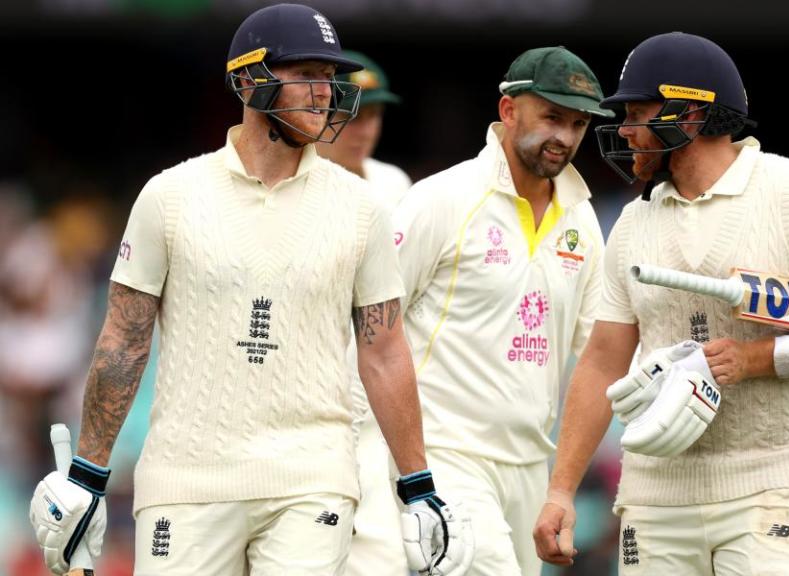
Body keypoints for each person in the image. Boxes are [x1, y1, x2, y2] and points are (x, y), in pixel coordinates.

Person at [28, 5, 471, 576]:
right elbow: (124, 340)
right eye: (306, 74)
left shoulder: (361, 208)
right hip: (186, 481)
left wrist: (418, 486)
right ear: (248, 80)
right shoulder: (170, 196)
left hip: (313, 479)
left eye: (329, 78)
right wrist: (87, 477)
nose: (324, 93)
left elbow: (383, 351)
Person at [533, 32, 789, 575]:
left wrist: (754, 361)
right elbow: (602, 361)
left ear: (692, 115)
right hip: (656, 495)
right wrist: (560, 492)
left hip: (775, 484)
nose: (625, 131)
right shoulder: (633, 222)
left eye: (637, 113)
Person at [392, 46, 612, 575]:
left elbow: (597, 358)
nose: (565, 136)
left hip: (530, 468)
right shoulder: (442, 199)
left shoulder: (581, 222)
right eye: (553, 117)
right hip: (445, 457)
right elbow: (373, 331)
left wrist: (561, 487)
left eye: (579, 123)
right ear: (509, 110)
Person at [317, 51, 411, 576]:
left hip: (376, 406)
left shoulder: (395, 186)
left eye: (374, 114)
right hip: (312, 401)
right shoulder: (298, 187)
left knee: (382, 559)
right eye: (352, 113)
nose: (363, 128)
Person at [316, 50, 411, 207]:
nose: (366, 133)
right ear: (318, 115)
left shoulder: (394, 182)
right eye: (352, 117)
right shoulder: (291, 188)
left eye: (374, 114)